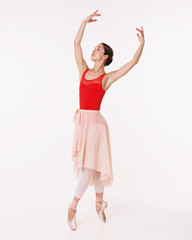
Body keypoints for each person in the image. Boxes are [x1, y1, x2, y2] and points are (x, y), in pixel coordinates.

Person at [67, 9, 145, 230]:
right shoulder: (83, 70)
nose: (93, 50)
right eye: (94, 48)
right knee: (89, 166)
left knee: (90, 166)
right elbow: (76, 44)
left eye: (98, 49)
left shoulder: (106, 78)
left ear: (105, 57)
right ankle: (99, 203)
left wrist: (141, 45)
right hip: (83, 122)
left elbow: (131, 64)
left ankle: (74, 206)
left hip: (96, 125)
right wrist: (83, 22)